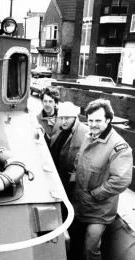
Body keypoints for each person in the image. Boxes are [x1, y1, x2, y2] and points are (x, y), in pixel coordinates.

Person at [69, 98, 133, 260]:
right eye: (90, 120)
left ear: (108, 120)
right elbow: (79, 161)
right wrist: (74, 180)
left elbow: (121, 180)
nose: (93, 124)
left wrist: (95, 194)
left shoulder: (119, 147)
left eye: (98, 120)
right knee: (74, 241)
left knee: (90, 250)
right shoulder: (88, 136)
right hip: (80, 203)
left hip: (100, 211)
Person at [50, 101, 89, 202]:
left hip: (70, 181)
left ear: (75, 117)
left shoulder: (85, 133)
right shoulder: (60, 128)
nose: (63, 121)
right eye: (61, 118)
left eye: (67, 118)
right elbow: (54, 145)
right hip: (57, 175)